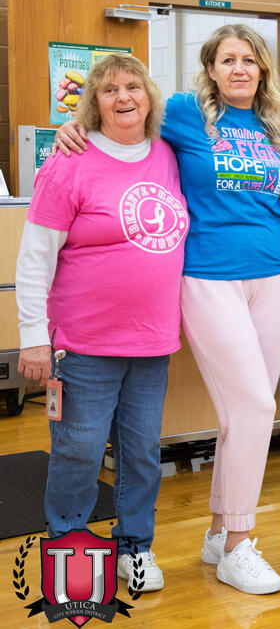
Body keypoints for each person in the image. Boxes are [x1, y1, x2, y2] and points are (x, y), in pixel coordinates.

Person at [55, 24, 280, 595]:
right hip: (208, 276)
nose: (240, 69)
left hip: (277, 272)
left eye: (250, 60)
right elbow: (122, 117)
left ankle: (220, 532)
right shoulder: (182, 111)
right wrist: (75, 127)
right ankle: (240, 545)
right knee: (255, 405)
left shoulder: (274, 124)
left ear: (263, 69)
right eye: (228, 59)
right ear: (211, 68)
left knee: (243, 415)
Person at [17, 53, 187, 593]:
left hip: (151, 342)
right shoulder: (70, 160)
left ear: (150, 96)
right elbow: (35, 256)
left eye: (133, 86)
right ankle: (71, 555)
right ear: (94, 101)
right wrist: (32, 337)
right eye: (110, 89)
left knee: (141, 455)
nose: (124, 97)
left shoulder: (167, 154)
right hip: (84, 344)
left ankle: (135, 547)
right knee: (78, 452)